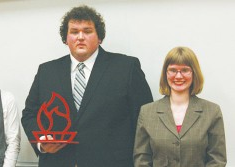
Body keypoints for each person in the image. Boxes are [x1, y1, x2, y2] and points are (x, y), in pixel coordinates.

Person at [21, 5, 153, 167]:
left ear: (99, 37)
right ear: (65, 38)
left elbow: (144, 119)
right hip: (57, 161)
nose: (80, 37)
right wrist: (42, 142)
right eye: (74, 32)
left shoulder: (126, 68)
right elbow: (29, 114)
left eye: (87, 31)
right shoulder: (47, 71)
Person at [133, 46, 227, 167]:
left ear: (194, 73)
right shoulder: (147, 112)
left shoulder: (212, 111)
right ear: (165, 73)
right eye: (173, 70)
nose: (178, 76)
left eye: (185, 70)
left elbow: (217, 160)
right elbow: (142, 159)